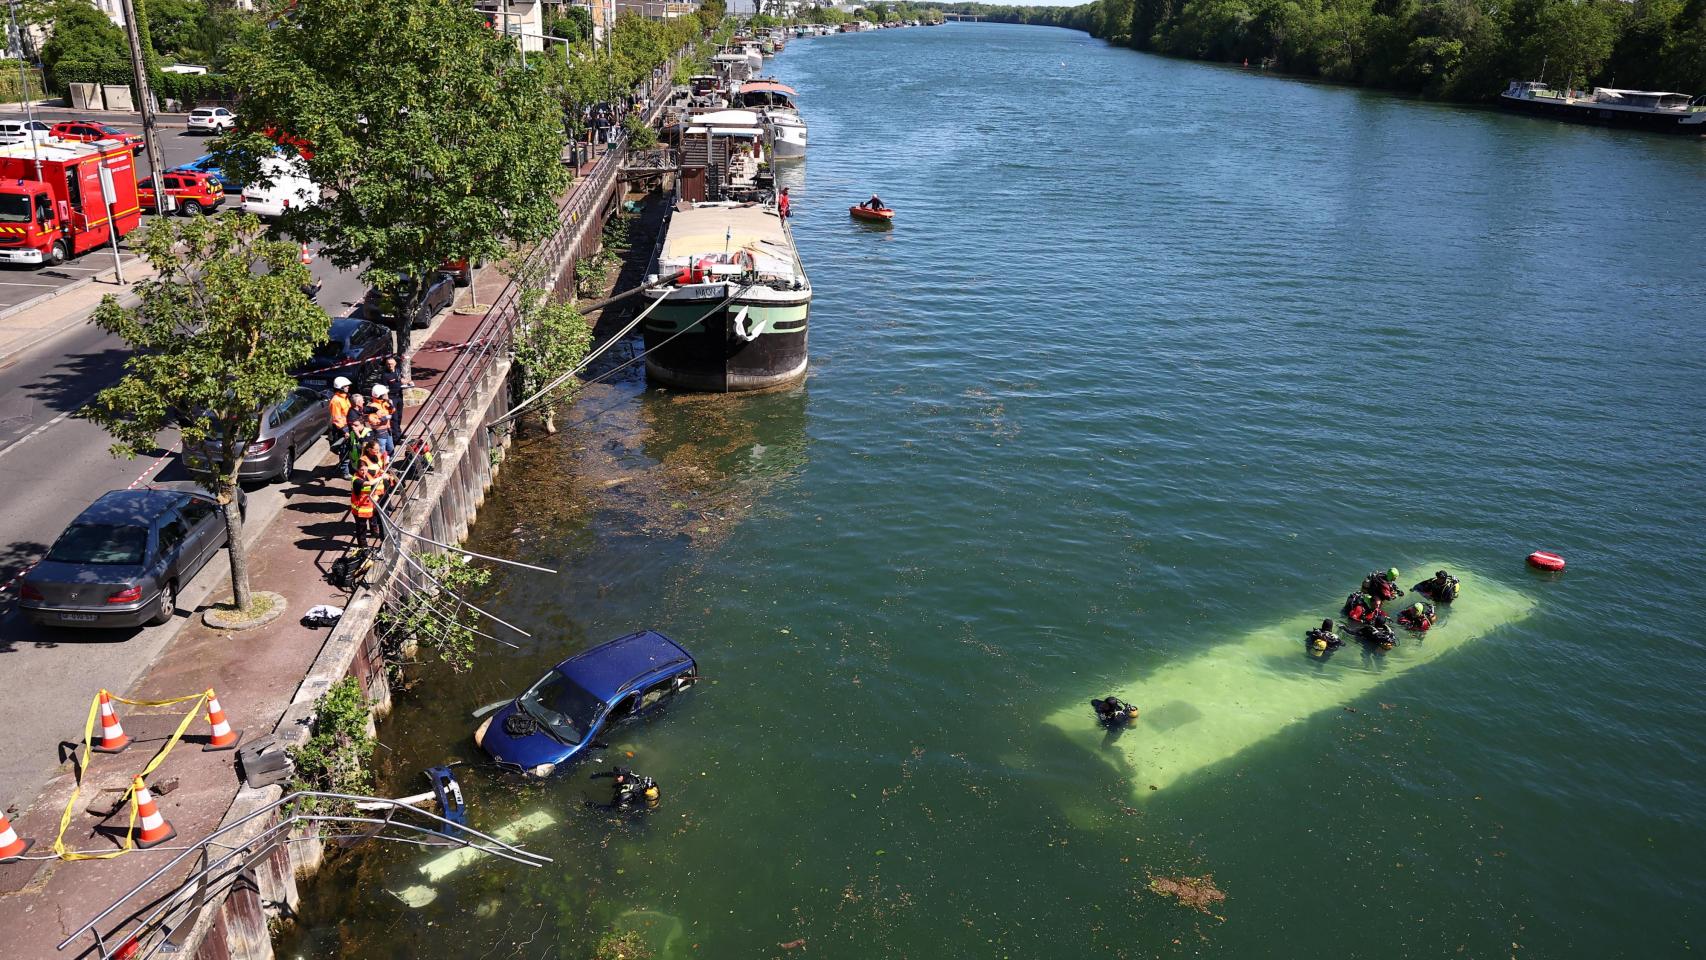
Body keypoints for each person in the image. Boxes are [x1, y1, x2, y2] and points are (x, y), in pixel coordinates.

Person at [592, 766, 660, 811]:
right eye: (616, 775)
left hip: (637, 807)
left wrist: (592, 805)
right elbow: (611, 774)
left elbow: (612, 808)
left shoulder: (624, 795)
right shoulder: (628, 776)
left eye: (618, 775)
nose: (615, 777)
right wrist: (597, 775)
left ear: (624, 776)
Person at [327, 377, 354, 479]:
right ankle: (344, 472)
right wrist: (344, 431)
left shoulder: (345, 397)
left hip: (348, 426)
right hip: (342, 429)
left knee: (350, 449)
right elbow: (337, 418)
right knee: (344, 451)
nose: (348, 387)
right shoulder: (336, 401)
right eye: (346, 386)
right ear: (340, 387)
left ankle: (349, 468)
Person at [378, 357, 407, 445]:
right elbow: (385, 390)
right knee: (394, 418)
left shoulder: (398, 370)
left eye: (391, 363)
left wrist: (405, 381)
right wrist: (388, 401)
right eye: (388, 364)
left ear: (395, 364)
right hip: (392, 398)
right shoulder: (385, 375)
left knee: (399, 416)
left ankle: (399, 433)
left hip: (399, 396)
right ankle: (396, 439)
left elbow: (401, 379)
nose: (390, 365)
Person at [367, 384, 395, 457]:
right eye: (385, 394)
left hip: (388, 430)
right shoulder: (373, 406)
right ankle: (383, 467)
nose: (387, 394)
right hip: (380, 433)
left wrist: (390, 404)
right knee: (381, 451)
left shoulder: (385, 403)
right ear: (380, 395)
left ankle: (390, 465)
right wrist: (384, 418)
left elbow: (392, 411)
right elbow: (372, 421)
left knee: (391, 449)